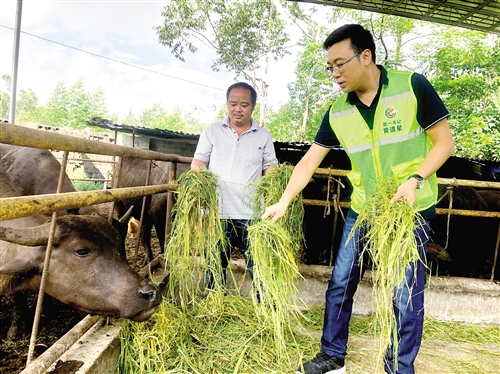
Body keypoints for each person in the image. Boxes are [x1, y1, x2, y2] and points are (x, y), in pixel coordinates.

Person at [262, 24, 455, 374]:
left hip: (409, 208)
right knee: (340, 281)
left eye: (340, 63)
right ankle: (332, 356)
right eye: (329, 66)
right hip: (365, 206)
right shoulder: (338, 110)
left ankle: (399, 367)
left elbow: (445, 143)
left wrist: (415, 179)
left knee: (404, 291)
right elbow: (309, 160)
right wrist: (285, 200)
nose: (334, 73)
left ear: (365, 56)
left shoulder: (411, 86)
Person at [191, 82, 277, 289]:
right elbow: (198, 161)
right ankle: (214, 305)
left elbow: (270, 167)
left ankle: (264, 309)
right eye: (233, 103)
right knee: (214, 264)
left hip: (253, 214)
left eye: (244, 104)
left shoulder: (263, 136)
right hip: (217, 213)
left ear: (253, 106)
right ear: (227, 104)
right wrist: (201, 178)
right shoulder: (212, 131)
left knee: (258, 266)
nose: (238, 109)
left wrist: (272, 186)